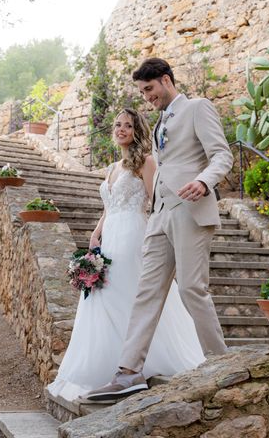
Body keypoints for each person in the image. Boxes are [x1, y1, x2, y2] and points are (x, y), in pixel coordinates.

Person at [86, 58, 234, 402]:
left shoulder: (198, 108)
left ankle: (222, 363)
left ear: (166, 80)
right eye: (142, 92)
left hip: (190, 211)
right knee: (146, 291)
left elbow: (221, 156)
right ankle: (128, 372)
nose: (147, 97)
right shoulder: (158, 123)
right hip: (160, 216)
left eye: (149, 89)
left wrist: (203, 180)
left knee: (192, 290)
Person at [46, 108, 205, 402]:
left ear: (136, 131)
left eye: (128, 125)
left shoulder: (145, 162)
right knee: (104, 297)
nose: (121, 129)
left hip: (134, 234)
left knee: (130, 294)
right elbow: (110, 207)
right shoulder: (112, 167)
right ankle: (108, 366)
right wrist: (96, 233)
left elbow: (155, 203)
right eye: (117, 124)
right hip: (109, 237)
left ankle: (136, 363)